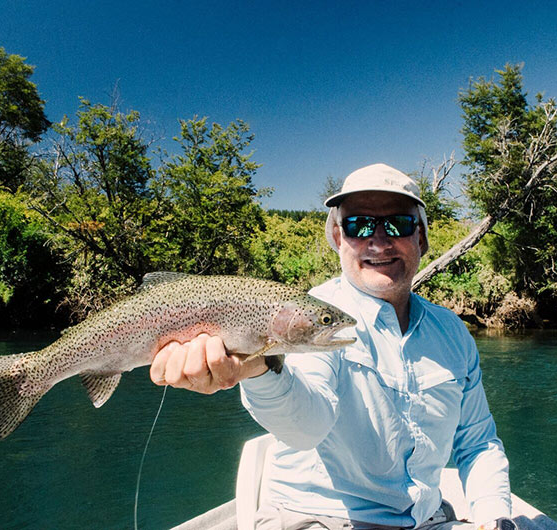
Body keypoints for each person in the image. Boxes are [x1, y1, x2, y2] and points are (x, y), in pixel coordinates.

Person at [150, 163, 516, 530]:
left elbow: (478, 442)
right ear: (339, 238)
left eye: (397, 224)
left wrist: (492, 515)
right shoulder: (310, 317)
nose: (378, 240)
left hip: (429, 520)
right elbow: (306, 427)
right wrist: (257, 371)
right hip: (319, 519)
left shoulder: (452, 332)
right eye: (358, 225)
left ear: (420, 237)